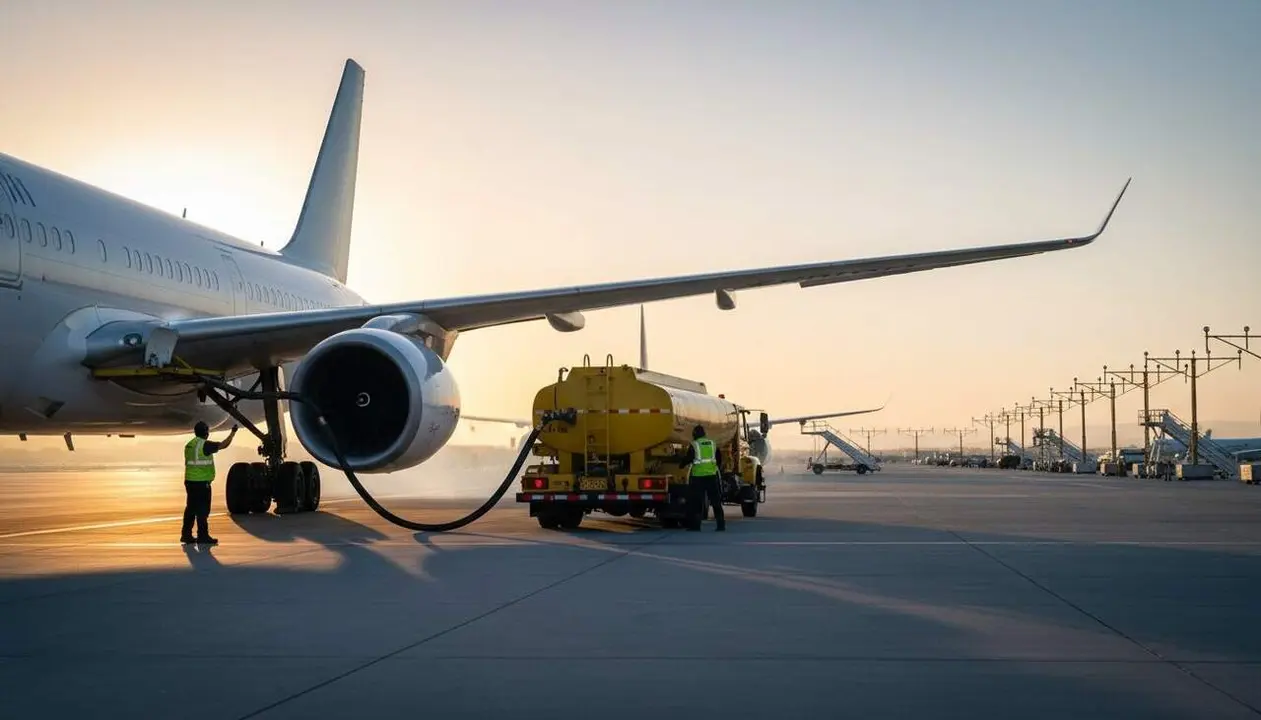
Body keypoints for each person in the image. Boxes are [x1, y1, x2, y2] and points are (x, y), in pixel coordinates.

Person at [181, 420, 238, 545]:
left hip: (190, 481)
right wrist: (232, 433)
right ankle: (203, 536)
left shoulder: (189, 445)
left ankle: (186, 534)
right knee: (202, 510)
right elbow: (223, 445)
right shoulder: (204, 445)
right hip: (201, 483)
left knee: (190, 508)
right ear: (206, 433)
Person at [684, 424, 725, 532]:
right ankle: (721, 525)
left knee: (697, 502)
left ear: (695, 434)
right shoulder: (712, 444)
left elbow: (688, 458)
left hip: (698, 478)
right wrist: (716, 468)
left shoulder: (695, 445)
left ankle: (696, 526)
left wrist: (681, 464)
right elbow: (719, 459)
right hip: (712, 476)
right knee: (716, 501)